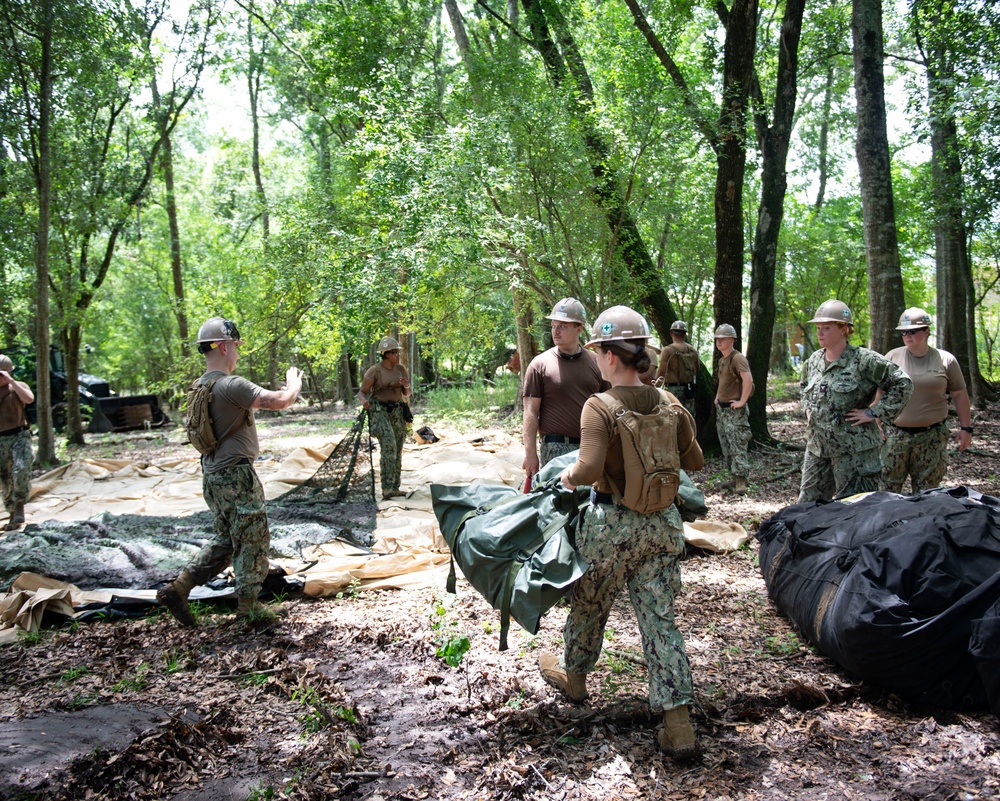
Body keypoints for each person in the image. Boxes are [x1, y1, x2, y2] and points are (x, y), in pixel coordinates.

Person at [538, 305, 705, 758]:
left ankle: (574, 679)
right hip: (663, 527)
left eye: (597, 352)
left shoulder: (601, 405)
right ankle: (678, 726)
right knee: (659, 620)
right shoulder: (668, 402)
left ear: (609, 356)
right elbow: (695, 462)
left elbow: (589, 468)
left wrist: (566, 477)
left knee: (590, 604)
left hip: (610, 526)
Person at [157, 317, 303, 625]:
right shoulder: (231, 385)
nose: (237, 353)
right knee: (252, 538)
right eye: (235, 347)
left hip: (213, 476)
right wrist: (294, 385)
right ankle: (249, 608)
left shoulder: (199, 386)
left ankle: (180, 587)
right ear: (223, 347)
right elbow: (279, 401)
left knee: (226, 539)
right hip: (237, 476)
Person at [798, 300, 912, 503]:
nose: (820, 333)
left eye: (827, 328)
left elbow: (902, 383)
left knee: (855, 511)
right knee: (808, 508)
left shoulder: (864, 360)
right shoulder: (814, 361)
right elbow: (804, 388)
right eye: (818, 328)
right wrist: (808, 409)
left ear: (843, 330)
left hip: (855, 452)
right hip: (818, 448)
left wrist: (873, 412)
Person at [876, 307, 973, 493]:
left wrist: (966, 428)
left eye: (913, 331)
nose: (907, 336)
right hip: (895, 436)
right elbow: (880, 393)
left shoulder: (945, 360)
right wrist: (876, 424)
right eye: (904, 332)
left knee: (927, 493)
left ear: (927, 331)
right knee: (886, 490)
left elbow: (959, 394)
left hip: (931, 437)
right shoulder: (892, 357)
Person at [521, 298, 606, 480]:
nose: (556, 331)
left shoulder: (597, 362)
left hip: (591, 447)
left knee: (588, 504)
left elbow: (609, 405)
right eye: (553, 326)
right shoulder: (539, 365)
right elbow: (530, 411)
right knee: (556, 503)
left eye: (562, 326)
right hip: (555, 449)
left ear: (579, 328)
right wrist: (530, 453)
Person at [358, 336, 411, 500]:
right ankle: (387, 488)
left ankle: (395, 486)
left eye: (398, 352)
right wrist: (365, 402)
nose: (398, 355)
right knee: (389, 445)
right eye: (394, 352)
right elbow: (361, 392)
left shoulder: (401, 369)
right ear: (386, 354)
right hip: (380, 412)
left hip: (397, 411)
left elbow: (406, 394)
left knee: (398, 448)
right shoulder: (375, 371)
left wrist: (406, 385)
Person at [713, 324, 753, 495]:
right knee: (726, 444)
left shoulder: (737, 358)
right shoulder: (722, 360)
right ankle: (734, 476)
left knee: (737, 444)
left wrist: (742, 401)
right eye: (717, 338)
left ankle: (741, 480)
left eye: (723, 338)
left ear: (732, 340)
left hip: (734, 410)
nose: (719, 341)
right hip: (722, 410)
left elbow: (748, 380)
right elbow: (724, 382)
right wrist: (717, 397)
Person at [0, 354, 34, 532]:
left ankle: (19, 505)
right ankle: (12, 513)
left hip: (19, 436)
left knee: (20, 469)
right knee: (4, 479)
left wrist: (11, 381)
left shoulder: (18, 387)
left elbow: (29, 399)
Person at [655, 320, 699, 416]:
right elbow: (697, 370)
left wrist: (654, 387)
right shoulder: (693, 350)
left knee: (672, 418)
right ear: (684, 334)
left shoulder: (667, 350)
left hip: (673, 390)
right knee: (688, 418)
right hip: (689, 390)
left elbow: (661, 372)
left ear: (671, 333)